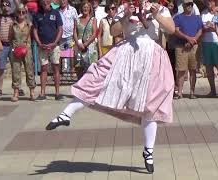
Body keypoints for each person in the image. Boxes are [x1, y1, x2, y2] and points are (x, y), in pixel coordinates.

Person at [45, 1, 175, 173]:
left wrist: (157, 14)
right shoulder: (125, 7)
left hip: (151, 55)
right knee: (96, 78)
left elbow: (171, 29)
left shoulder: (160, 8)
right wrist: (127, 15)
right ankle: (66, 114)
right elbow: (114, 31)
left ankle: (148, 151)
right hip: (126, 52)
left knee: (150, 104)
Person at [33, 0, 63, 101]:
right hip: (42, 46)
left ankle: (57, 93)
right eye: (43, 0)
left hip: (54, 46)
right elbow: (35, 30)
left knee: (56, 68)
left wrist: (55, 42)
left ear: (50, 1)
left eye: (47, 0)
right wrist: (39, 43)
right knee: (43, 68)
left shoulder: (56, 13)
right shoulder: (37, 14)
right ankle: (42, 93)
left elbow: (60, 29)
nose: (45, 2)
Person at [174, 0, 203, 99]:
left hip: (194, 46)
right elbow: (176, 31)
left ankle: (192, 92)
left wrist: (193, 41)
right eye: (187, 4)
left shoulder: (197, 18)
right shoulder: (178, 17)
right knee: (181, 70)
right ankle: (180, 92)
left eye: (191, 4)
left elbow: (200, 30)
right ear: (183, 5)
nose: (189, 6)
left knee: (193, 70)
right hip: (181, 46)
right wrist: (188, 38)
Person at [9, 4, 36, 102]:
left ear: (26, 13)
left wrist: (27, 45)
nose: (21, 14)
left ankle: (32, 92)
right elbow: (10, 38)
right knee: (16, 71)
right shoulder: (13, 25)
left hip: (27, 49)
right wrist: (13, 47)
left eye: (23, 12)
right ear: (16, 13)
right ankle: (16, 93)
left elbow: (32, 36)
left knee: (29, 70)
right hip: (16, 49)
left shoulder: (29, 24)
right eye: (19, 12)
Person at [201, 0, 218, 97]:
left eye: (210, 1)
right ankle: (212, 90)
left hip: (217, 41)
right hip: (206, 42)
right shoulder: (203, 13)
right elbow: (201, 27)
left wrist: (211, 26)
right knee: (209, 67)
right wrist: (208, 27)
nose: (208, 2)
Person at [73, 1, 98, 79]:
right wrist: (77, 43)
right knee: (79, 67)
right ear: (81, 8)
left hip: (90, 47)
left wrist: (86, 44)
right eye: (84, 7)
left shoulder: (93, 19)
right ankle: (80, 85)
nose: (85, 9)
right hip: (79, 47)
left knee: (91, 68)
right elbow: (74, 33)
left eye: (87, 7)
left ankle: (90, 86)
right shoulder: (77, 20)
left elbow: (94, 34)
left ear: (90, 9)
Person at [0, 0, 15, 97]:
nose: (5, 7)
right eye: (3, 5)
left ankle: (17, 88)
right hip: (2, 46)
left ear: (10, 6)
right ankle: (0, 89)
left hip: (12, 45)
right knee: (1, 68)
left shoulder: (14, 17)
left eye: (7, 5)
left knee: (15, 67)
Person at [59, 0, 78, 73]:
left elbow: (76, 24)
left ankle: (73, 71)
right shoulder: (57, 11)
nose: (62, 1)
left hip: (71, 36)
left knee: (71, 54)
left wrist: (75, 35)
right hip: (60, 37)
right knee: (61, 55)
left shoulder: (73, 10)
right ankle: (61, 72)